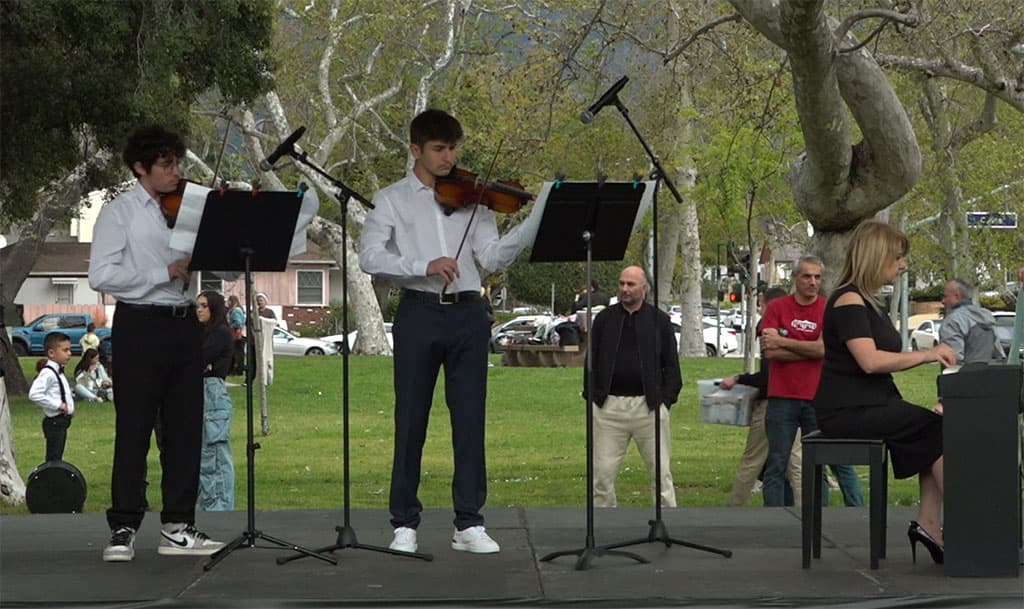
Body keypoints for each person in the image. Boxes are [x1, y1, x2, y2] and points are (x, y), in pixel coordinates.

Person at [358, 109, 535, 554]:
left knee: (470, 418)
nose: (449, 157)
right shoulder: (391, 199)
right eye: (439, 148)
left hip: (468, 314)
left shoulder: (474, 198)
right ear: (415, 149)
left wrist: (531, 226)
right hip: (418, 312)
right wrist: (423, 265)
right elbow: (370, 257)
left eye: (454, 148)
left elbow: (491, 258)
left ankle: (469, 521)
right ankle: (404, 522)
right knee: (411, 418)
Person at [89, 124, 224, 562]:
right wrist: (160, 273)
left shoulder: (190, 207)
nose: (175, 172)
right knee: (134, 428)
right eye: (166, 165)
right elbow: (101, 276)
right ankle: (123, 526)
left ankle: (178, 526)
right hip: (140, 325)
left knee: (185, 429)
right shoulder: (119, 212)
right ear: (140, 167)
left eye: (177, 163)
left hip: (185, 325)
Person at [813, 219, 956, 564]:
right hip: (847, 410)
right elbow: (870, 361)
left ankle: (930, 523)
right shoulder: (848, 300)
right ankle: (968, 522)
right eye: (897, 258)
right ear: (877, 257)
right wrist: (927, 355)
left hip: (868, 403)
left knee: (931, 430)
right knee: (934, 428)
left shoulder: (865, 301)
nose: (903, 265)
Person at [760, 256, 863, 508]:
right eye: (807, 276)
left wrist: (784, 341)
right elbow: (770, 352)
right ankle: (774, 520)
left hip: (817, 398)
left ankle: (820, 519)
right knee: (777, 463)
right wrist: (809, 348)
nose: (813, 282)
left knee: (819, 463)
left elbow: (823, 350)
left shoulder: (829, 309)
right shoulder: (776, 308)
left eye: (817, 277)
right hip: (782, 398)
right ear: (795, 278)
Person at [587, 265, 682, 507]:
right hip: (609, 408)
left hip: (648, 408)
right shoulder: (605, 319)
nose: (625, 289)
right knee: (602, 476)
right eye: (622, 284)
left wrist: (665, 401)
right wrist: (593, 396)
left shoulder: (659, 320)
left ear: (644, 288)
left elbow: (671, 365)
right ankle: (603, 525)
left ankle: (667, 523)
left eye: (630, 284)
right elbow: (592, 361)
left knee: (661, 475)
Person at [720, 286, 803, 507]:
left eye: (761, 303)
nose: (760, 308)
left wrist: (739, 378)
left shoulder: (768, 327)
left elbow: (767, 376)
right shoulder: (794, 327)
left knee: (753, 460)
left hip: (772, 404)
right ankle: (807, 513)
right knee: (796, 462)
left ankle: (734, 508)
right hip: (794, 400)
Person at [196, 291, 236, 511]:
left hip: (212, 394)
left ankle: (220, 507)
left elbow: (197, 358)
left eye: (204, 305)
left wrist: (206, 366)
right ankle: (207, 504)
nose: (199, 310)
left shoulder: (220, 333)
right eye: (198, 305)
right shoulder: (204, 332)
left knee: (215, 454)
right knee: (203, 454)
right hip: (201, 393)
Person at [28, 333, 75, 462]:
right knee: (54, 456)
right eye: (65, 350)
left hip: (61, 421)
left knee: (57, 454)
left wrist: (70, 409)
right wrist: (58, 405)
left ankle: (54, 476)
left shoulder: (59, 372)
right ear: (51, 353)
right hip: (55, 422)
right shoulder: (48, 373)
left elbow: (62, 392)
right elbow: (34, 394)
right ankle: (51, 479)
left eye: (69, 350)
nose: (69, 353)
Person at [938, 278, 1004, 365]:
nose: (943, 301)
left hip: (963, 376)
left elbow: (953, 359)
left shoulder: (952, 321)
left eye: (945, 296)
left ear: (957, 296)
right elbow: (999, 355)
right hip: (989, 374)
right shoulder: (987, 317)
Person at [226, 294, 246, 376]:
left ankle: (237, 370)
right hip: (237, 334)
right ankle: (237, 369)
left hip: (236, 334)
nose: (227, 303)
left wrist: (230, 326)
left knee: (236, 353)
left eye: (229, 301)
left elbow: (238, 323)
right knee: (237, 353)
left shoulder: (236, 310)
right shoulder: (238, 309)